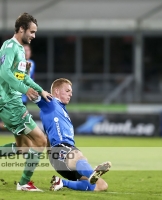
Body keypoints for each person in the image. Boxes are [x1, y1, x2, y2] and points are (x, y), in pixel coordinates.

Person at [0, 12, 52, 191]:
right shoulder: (9, 46)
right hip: (10, 103)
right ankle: (23, 183)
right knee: (40, 140)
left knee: (23, 148)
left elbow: (23, 78)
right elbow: (4, 73)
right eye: (31, 31)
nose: (34, 36)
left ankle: (24, 183)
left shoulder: (21, 51)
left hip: (13, 103)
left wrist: (40, 90)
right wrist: (24, 90)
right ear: (21, 29)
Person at [33, 78, 111, 191]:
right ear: (57, 91)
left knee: (102, 186)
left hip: (62, 157)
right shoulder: (50, 103)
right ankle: (92, 173)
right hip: (61, 150)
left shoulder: (61, 110)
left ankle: (62, 183)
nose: (71, 94)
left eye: (71, 92)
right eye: (67, 91)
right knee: (78, 156)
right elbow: (31, 90)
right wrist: (25, 74)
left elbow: (48, 136)